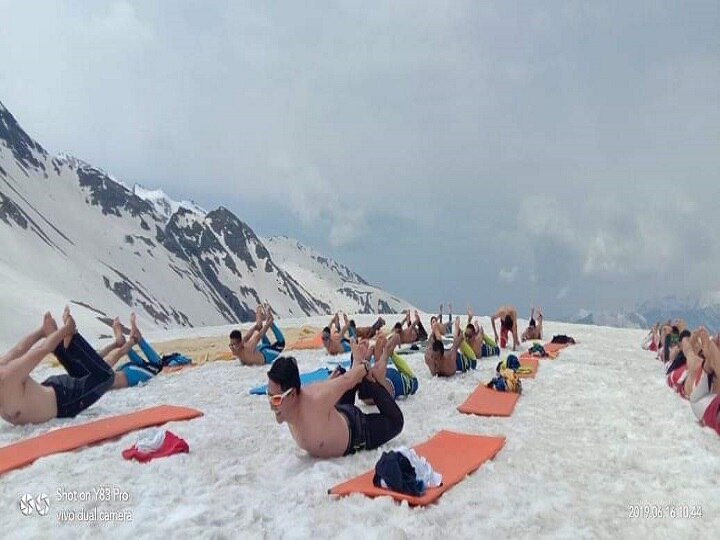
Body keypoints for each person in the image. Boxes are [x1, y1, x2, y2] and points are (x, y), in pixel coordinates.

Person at [266, 341, 404, 458]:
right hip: (335, 414)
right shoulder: (296, 403)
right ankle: (356, 363)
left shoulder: (316, 401)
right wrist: (328, 382)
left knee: (396, 422)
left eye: (276, 399)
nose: (272, 406)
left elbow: (347, 380)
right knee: (341, 379)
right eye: (269, 396)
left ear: (292, 394)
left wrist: (365, 368)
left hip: (356, 430)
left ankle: (373, 377)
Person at [0, 307, 114, 425]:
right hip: (46, 393)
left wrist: (67, 328)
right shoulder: (3, 367)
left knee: (106, 376)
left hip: (63, 400)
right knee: (85, 375)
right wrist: (42, 332)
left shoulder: (10, 375)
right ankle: (67, 342)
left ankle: (73, 338)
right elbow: (19, 349)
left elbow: (42, 349)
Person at [349, 333, 419, 402]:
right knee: (382, 353)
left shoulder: (366, 381)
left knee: (376, 357)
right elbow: (387, 349)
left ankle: (362, 359)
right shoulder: (378, 374)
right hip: (396, 383)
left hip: (378, 388)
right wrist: (395, 338)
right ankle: (364, 358)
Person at [104, 313, 164, 389]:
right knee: (155, 366)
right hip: (129, 373)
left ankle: (132, 339)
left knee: (155, 366)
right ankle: (130, 340)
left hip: (129, 374)